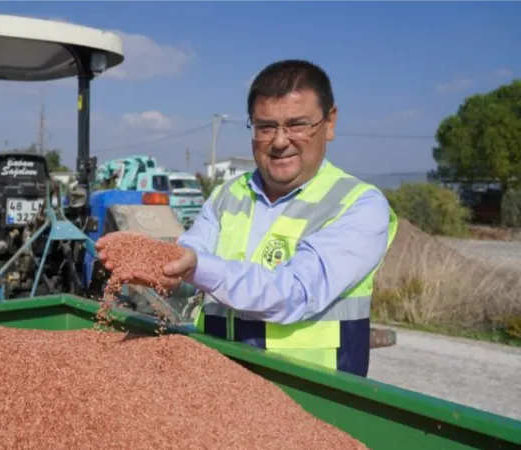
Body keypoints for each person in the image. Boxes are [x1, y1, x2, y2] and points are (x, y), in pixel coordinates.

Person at [96, 59, 399, 377]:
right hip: (217, 385)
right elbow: (190, 261)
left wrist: (195, 266)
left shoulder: (357, 205)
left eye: (297, 125)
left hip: (312, 399)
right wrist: (160, 267)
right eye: (266, 127)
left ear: (330, 122)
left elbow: (294, 292)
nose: (280, 141)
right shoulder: (228, 196)